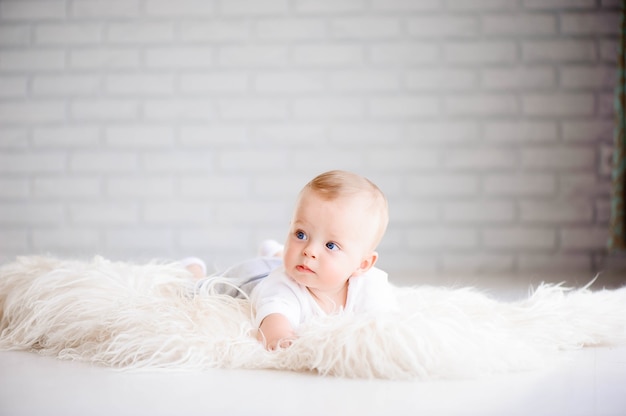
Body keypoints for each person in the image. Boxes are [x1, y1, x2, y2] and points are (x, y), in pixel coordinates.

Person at [183, 170, 397, 350]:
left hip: (291, 267)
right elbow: (274, 322)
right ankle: (194, 270)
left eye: (331, 245)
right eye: (301, 234)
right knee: (201, 290)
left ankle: (274, 252)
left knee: (289, 259)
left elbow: (383, 325)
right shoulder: (281, 288)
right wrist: (281, 339)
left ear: (362, 264)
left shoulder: (371, 286)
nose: (309, 251)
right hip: (256, 276)